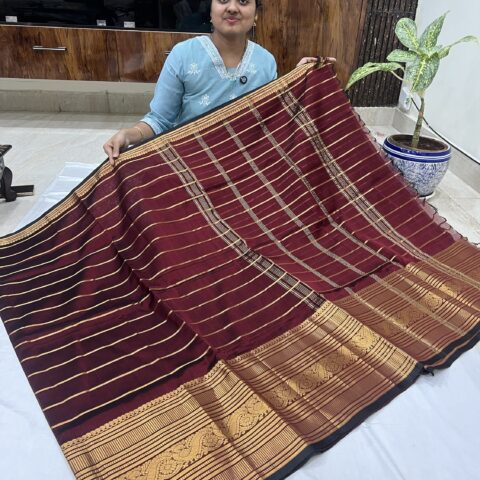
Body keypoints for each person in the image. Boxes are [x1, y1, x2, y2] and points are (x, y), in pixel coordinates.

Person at [103, 0, 332, 165]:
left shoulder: (265, 62)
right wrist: (128, 134)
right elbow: (160, 120)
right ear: (210, 11)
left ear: (256, 14)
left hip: (245, 167)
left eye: (243, 1)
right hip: (190, 164)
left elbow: (272, 125)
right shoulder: (183, 55)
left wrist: (300, 79)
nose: (232, 7)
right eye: (223, 0)